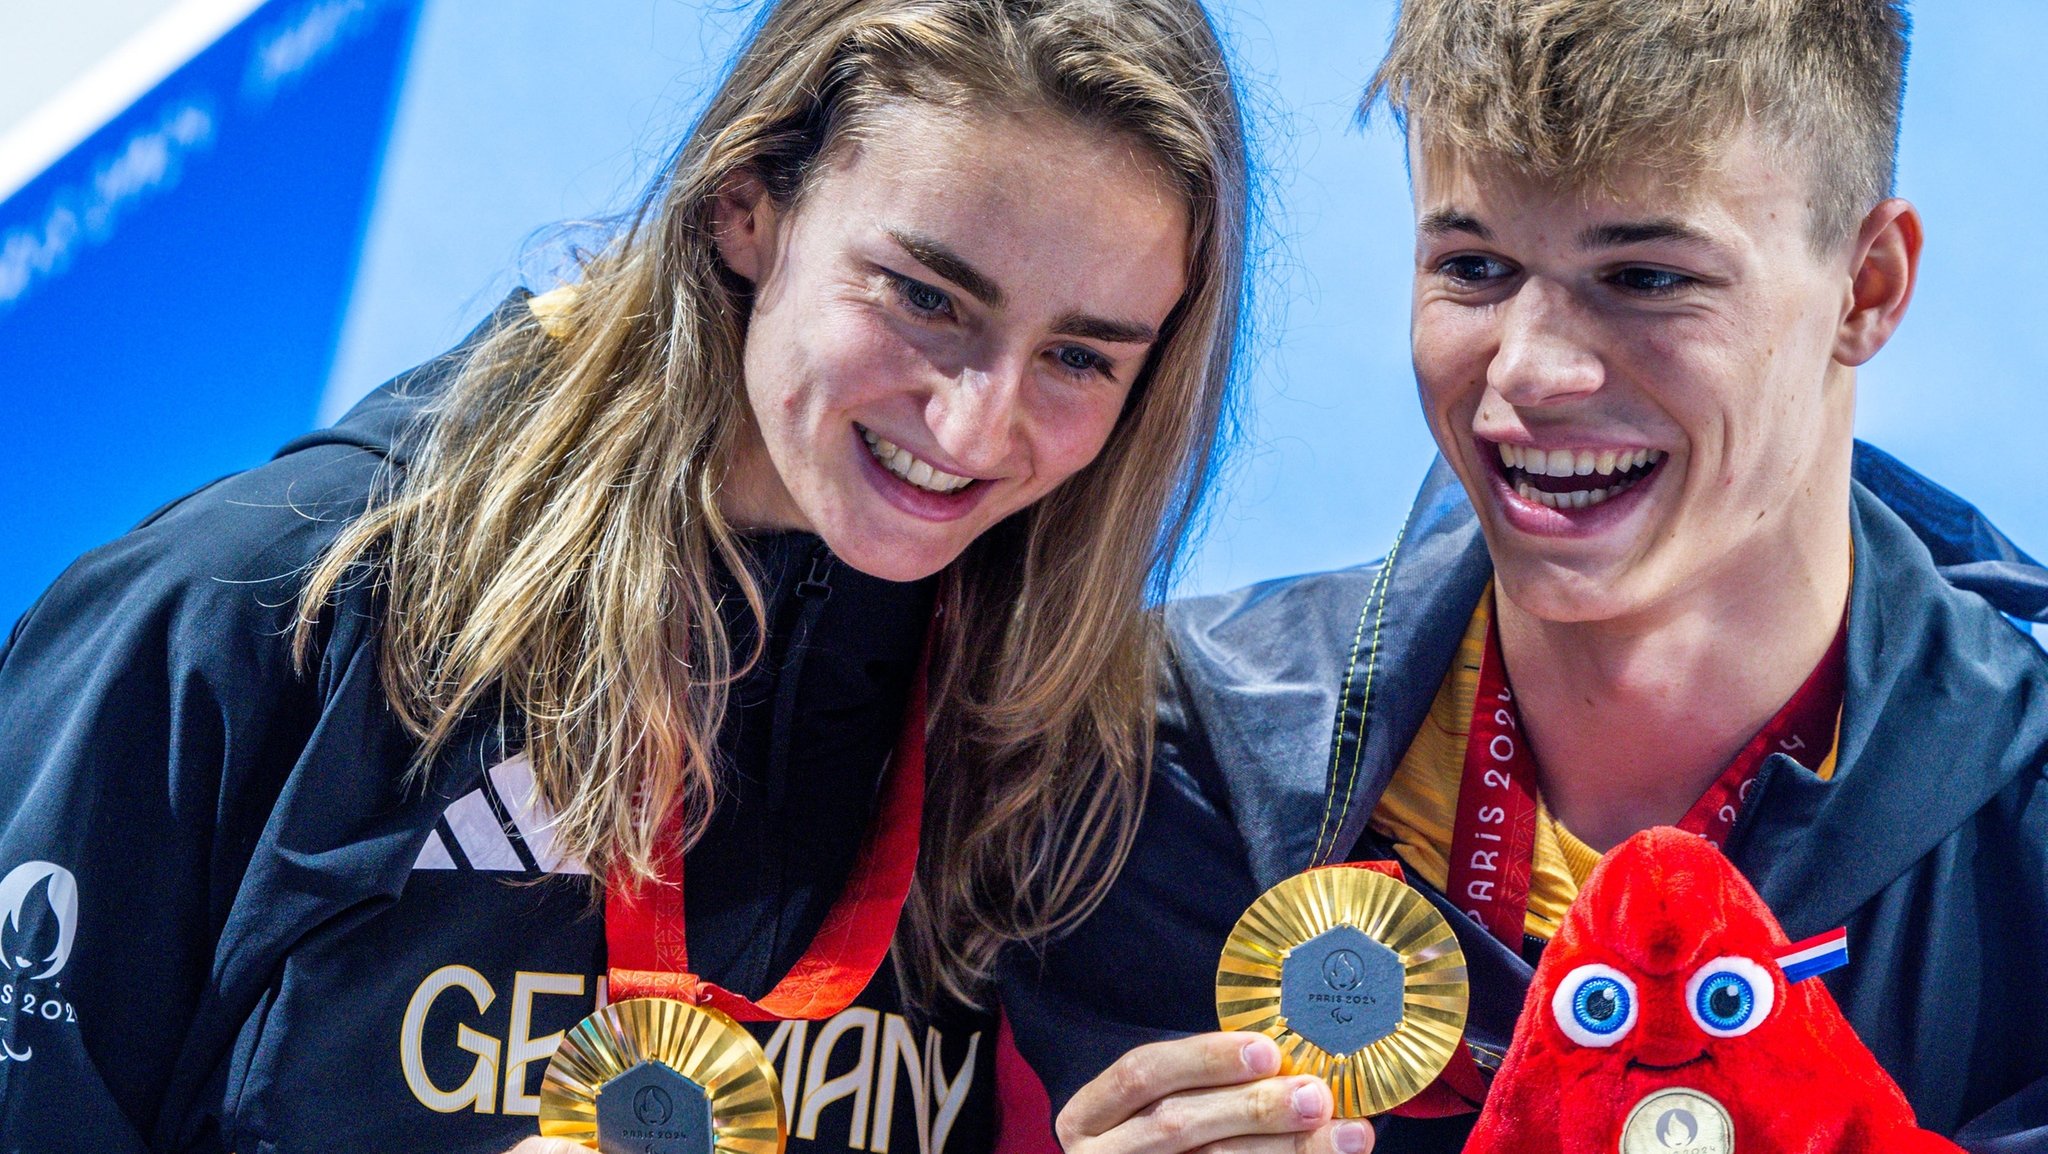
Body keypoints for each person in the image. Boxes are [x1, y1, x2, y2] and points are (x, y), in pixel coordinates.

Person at [0, 1, 1255, 1150]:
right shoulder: (260, 613)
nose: (976, 428)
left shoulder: (1058, 740)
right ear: (744, 204)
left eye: (1080, 358)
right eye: (924, 296)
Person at [1002, 2, 2048, 1152]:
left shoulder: (2026, 811)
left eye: (1644, 276)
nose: (1531, 369)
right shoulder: (1163, 760)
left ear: (1865, 287)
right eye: (1474, 266)